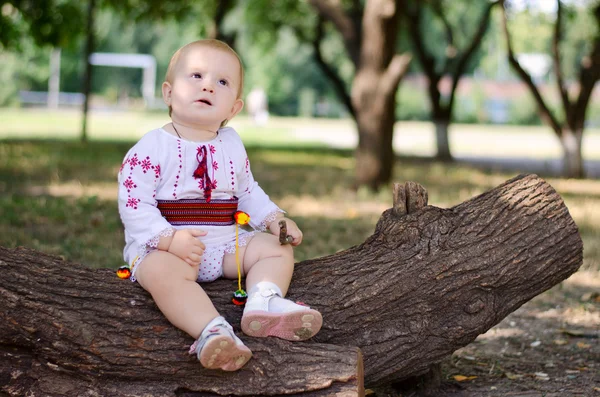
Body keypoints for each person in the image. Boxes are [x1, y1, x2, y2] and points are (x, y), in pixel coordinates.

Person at [117, 39, 322, 371]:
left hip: (225, 245)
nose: (208, 85)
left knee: (276, 249)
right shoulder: (152, 147)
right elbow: (133, 203)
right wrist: (169, 240)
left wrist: (274, 218)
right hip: (169, 250)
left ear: (234, 109)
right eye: (196, 75)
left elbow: (247, 191)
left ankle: (263, 300)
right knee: (160, 273)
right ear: (168, 93)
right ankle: (211, 330)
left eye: (222, 82)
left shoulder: (232, 143)